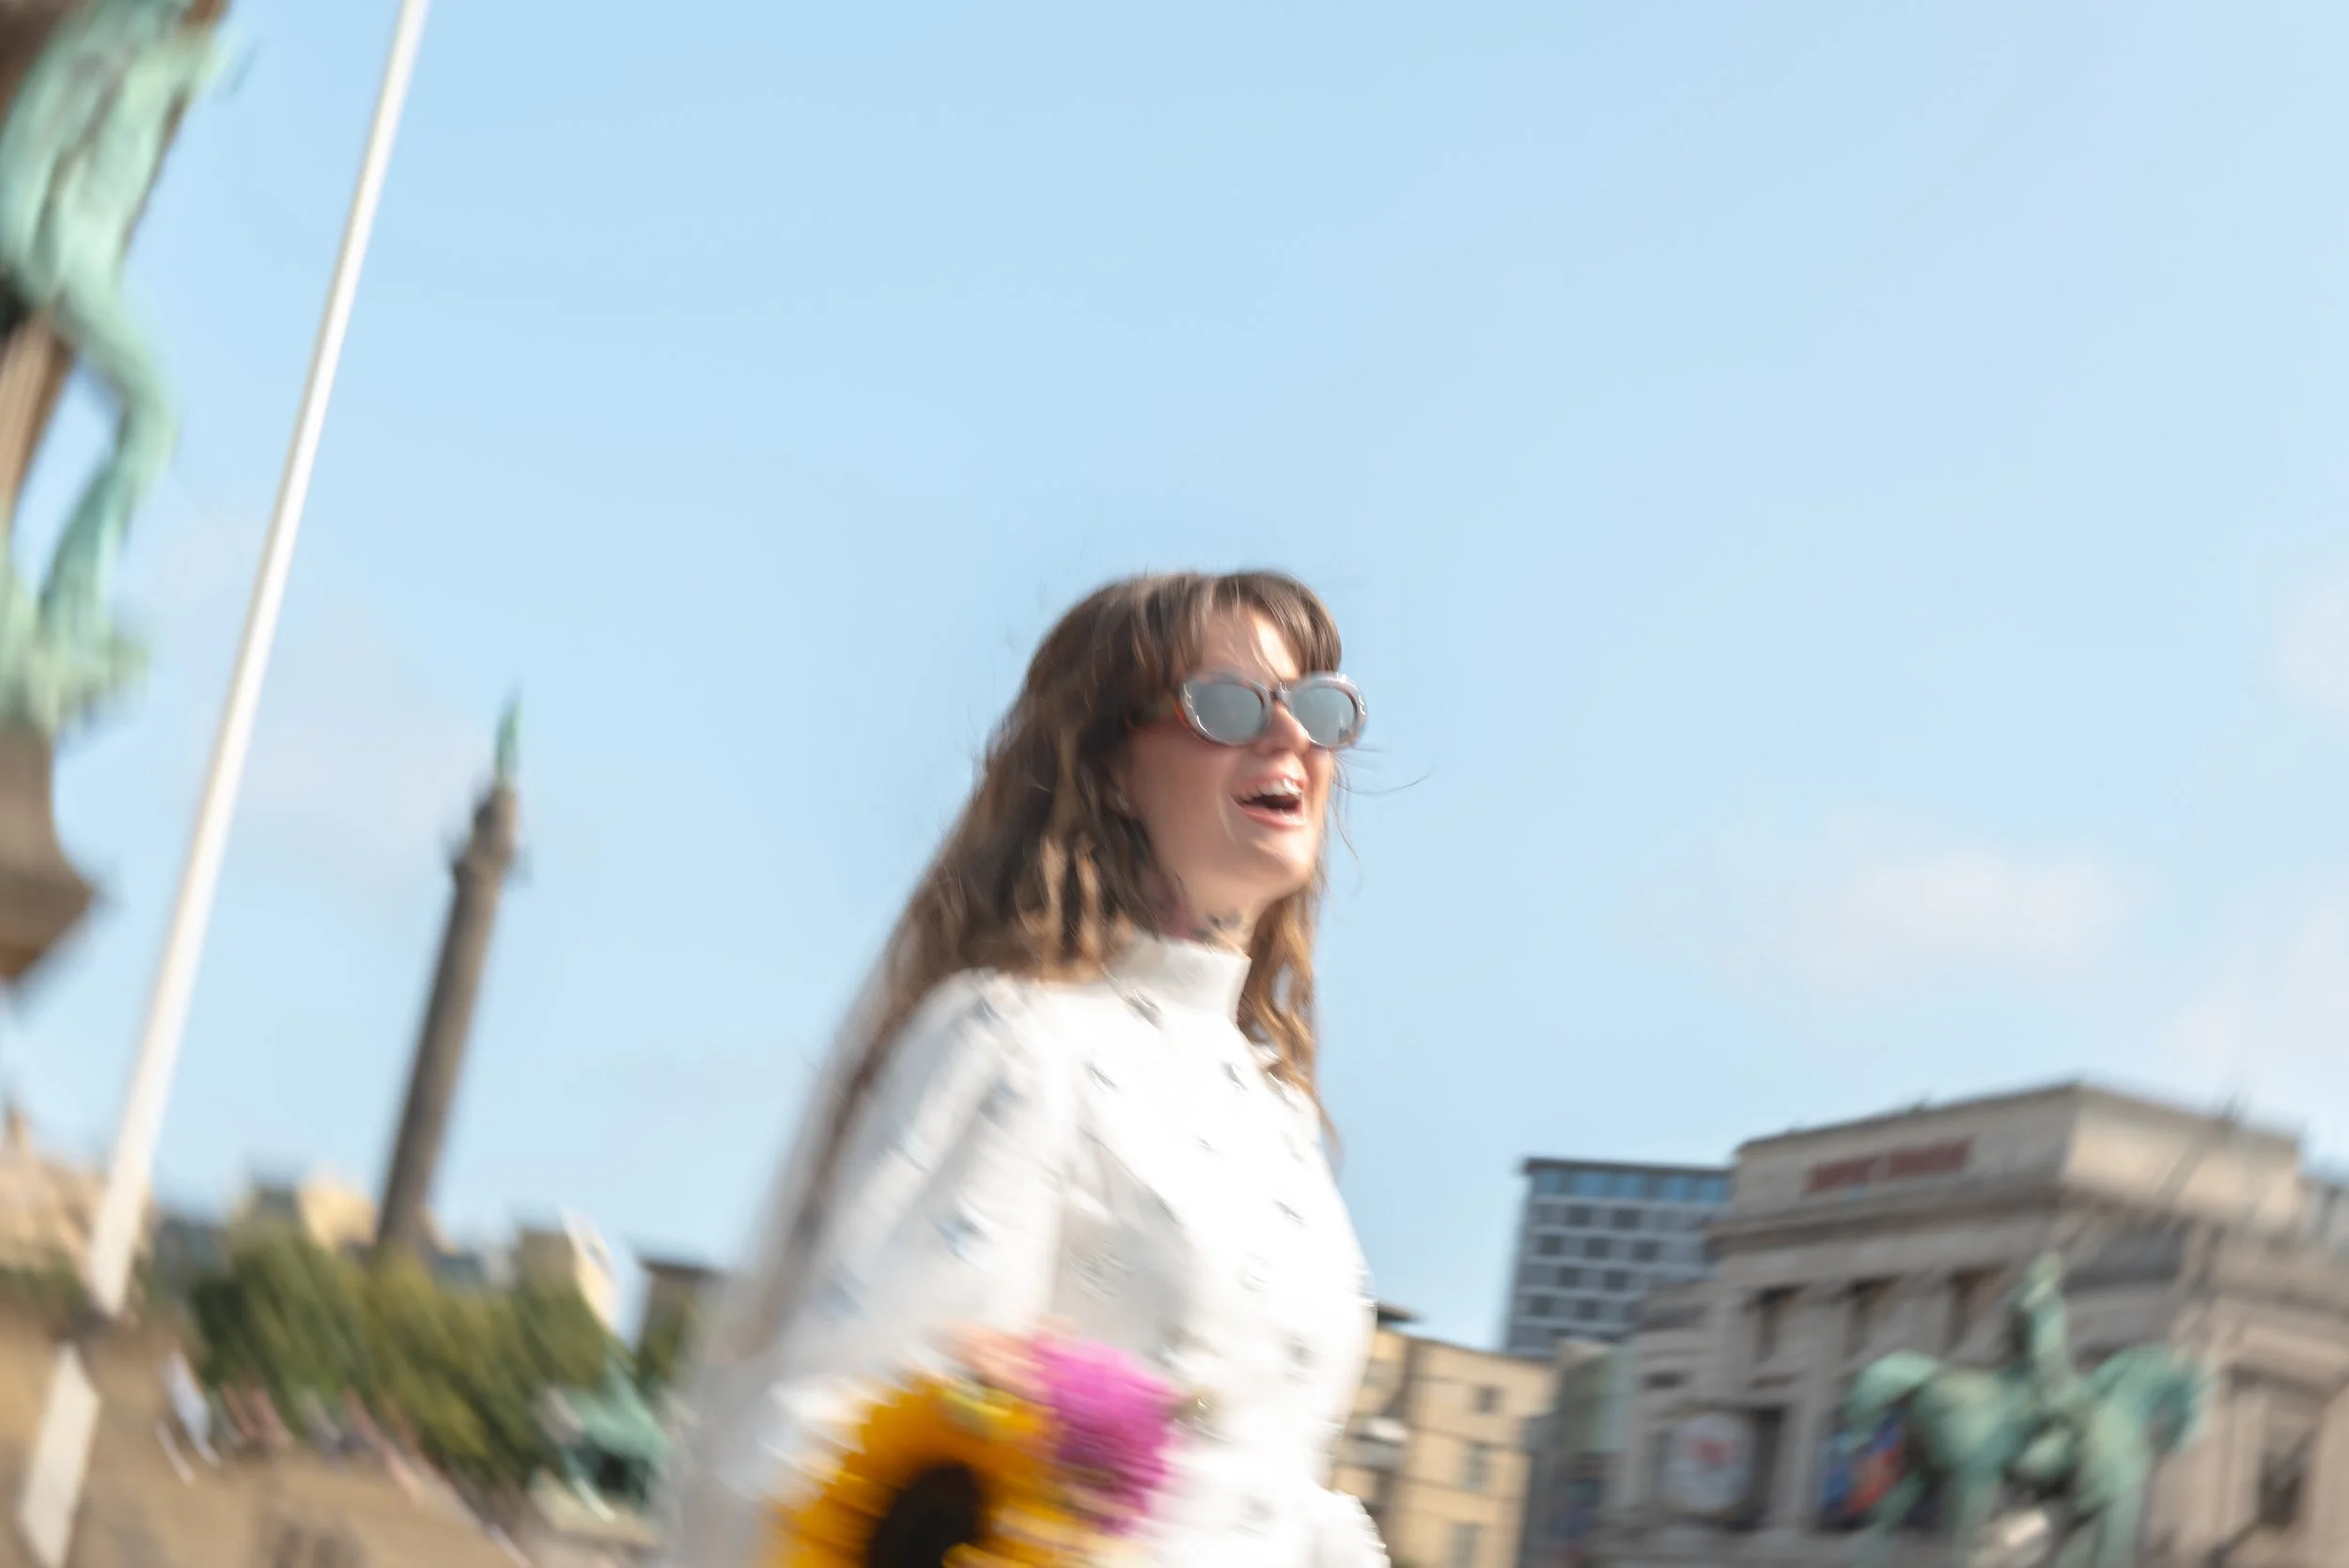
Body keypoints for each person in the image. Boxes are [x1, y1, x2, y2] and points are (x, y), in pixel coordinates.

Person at [660, 571, 1388, 1566]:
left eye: (1316, 707)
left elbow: (1274, 1490)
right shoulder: (1016, 1040)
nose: (1288, 738)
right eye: (1226, 705)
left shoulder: (1278, 1114)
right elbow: (831, 1446)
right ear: (1110, 770)